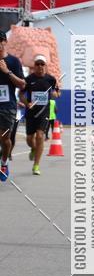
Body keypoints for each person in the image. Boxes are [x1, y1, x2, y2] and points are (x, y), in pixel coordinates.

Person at [19, 55, 59, 176]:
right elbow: (21, 94)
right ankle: (33, 148)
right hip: (31, 113)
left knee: (40, 136)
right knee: (30, 139)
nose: (40, 66)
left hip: (44, 113)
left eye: (42, 64)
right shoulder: (28, 79)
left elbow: (57, 92)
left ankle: (36, 165)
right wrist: (27, 103)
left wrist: (54, 94)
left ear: (45, 66)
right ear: (34, 66)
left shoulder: (51, 79)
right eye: (38, 64)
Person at [0, 30, 25, 182]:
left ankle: (4, 162)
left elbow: (22, 84)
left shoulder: (14, 62)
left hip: (7, 106)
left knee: (5, 138)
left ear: (4, 42)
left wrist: (6, 71)